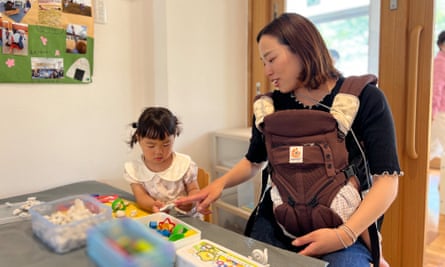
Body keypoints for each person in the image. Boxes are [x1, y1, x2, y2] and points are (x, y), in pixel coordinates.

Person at [176, 13, 401, 267]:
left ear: (303, 49)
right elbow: (253, 160)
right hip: (279, 225)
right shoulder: (269, 106)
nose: (267, 71)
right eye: (263, 62)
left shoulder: (365, 98)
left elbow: (387, 180)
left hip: (345, 227)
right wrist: (219, 185)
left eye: (271, 59)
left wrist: (343, 235)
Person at [124, 107, 200, 215]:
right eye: (151, 145)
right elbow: (141, 197)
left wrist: (190, 202)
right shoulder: (134, 169)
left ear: (174, 137)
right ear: (139, 139)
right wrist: (153, 205)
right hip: (157, 219)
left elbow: (194, 190)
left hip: (186, 220)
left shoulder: (184, 164)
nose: (159, 151)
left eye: (166, 144)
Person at [430, 31, 445, 161]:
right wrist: (433, 112)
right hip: (440, 113)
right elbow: (437, 88)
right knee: (431, 148)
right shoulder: (440, 62)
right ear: (441, 45)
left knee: (434, 148)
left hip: (441, 113)